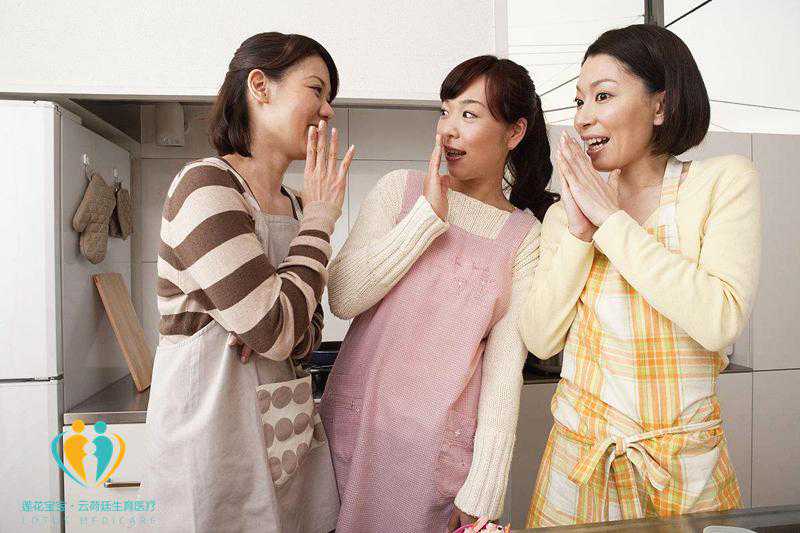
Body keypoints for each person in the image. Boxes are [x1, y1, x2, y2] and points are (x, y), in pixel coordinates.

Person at [520, 24, 761, 527]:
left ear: (660, 106)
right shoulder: (566, 214)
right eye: (579, 101)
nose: (583, 117)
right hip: (579, 466)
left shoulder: (723, 182)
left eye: (603, 96)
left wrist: (610, 222)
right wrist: (580, 231)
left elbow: (719, 320)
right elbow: (541, 339)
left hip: (683, 471)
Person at [320, 55, 555, 532]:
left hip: (433, 460)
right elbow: (343, 297)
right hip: (351, 432)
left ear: (514, 133)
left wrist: (484, 486)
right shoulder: (399, 191)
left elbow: (504, 368)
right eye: (445, 111)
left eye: (469, 114)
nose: (448, 129)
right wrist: (425, 218)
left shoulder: (525, 238)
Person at [138, 32, 355, 532]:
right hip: (211, 443)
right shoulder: (206, 185)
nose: (327, 111)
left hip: (283, 435)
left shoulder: (296, 204)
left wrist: (269, 322)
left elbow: (305, 331)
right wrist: (319, 223)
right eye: (316, 90)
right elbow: (276, 329)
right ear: (260, 86)